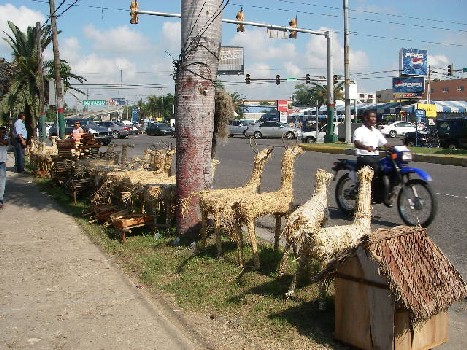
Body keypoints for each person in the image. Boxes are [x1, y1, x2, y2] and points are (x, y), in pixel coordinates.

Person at [0, 126, 9, 208]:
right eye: (2, 132)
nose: (4, 134)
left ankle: (0, 200)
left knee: (2, 183)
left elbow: (6, 143)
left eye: (4, 132)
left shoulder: (6, 138)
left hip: (2, 162)